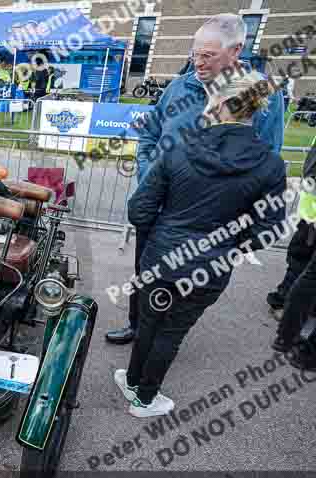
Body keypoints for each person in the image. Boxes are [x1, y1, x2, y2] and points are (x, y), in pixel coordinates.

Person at [106, 13, 286, 345]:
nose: (198, 62)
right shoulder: (179, 86)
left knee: (189, 290)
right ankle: (138, 326)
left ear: (236, 50)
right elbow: (149, 134)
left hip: (213, 220)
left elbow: (268, 156)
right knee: (145, 274)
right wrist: (148, 177)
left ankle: (164, 339)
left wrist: (238, 228)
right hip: (159, 210)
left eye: (208, 55)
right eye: (195, 53)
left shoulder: (263, 94)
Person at [118, 71, 286, 417]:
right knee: (168, 330)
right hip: (208, 265)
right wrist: (231, 245)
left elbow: (140, 209)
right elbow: (268, 229)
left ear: (218, 103)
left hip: (164, 256)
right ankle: (138, 388)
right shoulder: (270, 163)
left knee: (154, 324)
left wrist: (164, 235)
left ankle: (142, 395)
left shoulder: (180, 149)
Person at [272, 146, 316, 371]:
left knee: (307, 275)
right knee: (303, 271)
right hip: (311, 217)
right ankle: (290, 336)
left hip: (311, 215)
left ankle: (287, 335)